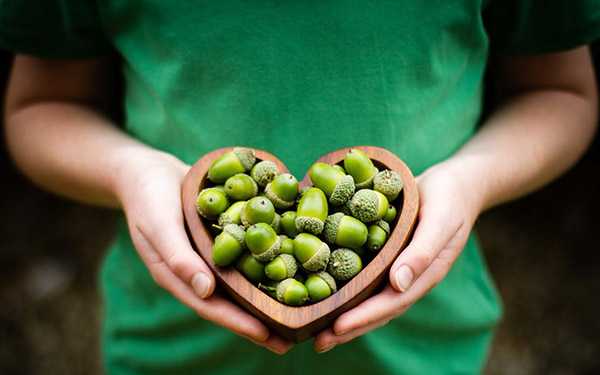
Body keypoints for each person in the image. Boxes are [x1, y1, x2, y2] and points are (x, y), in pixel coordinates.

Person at [2, 1, 598, 373]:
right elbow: (44, 104)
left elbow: (560, 91)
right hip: (173, 347)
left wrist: (471, 181)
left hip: (421, 347)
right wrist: (131, 173)